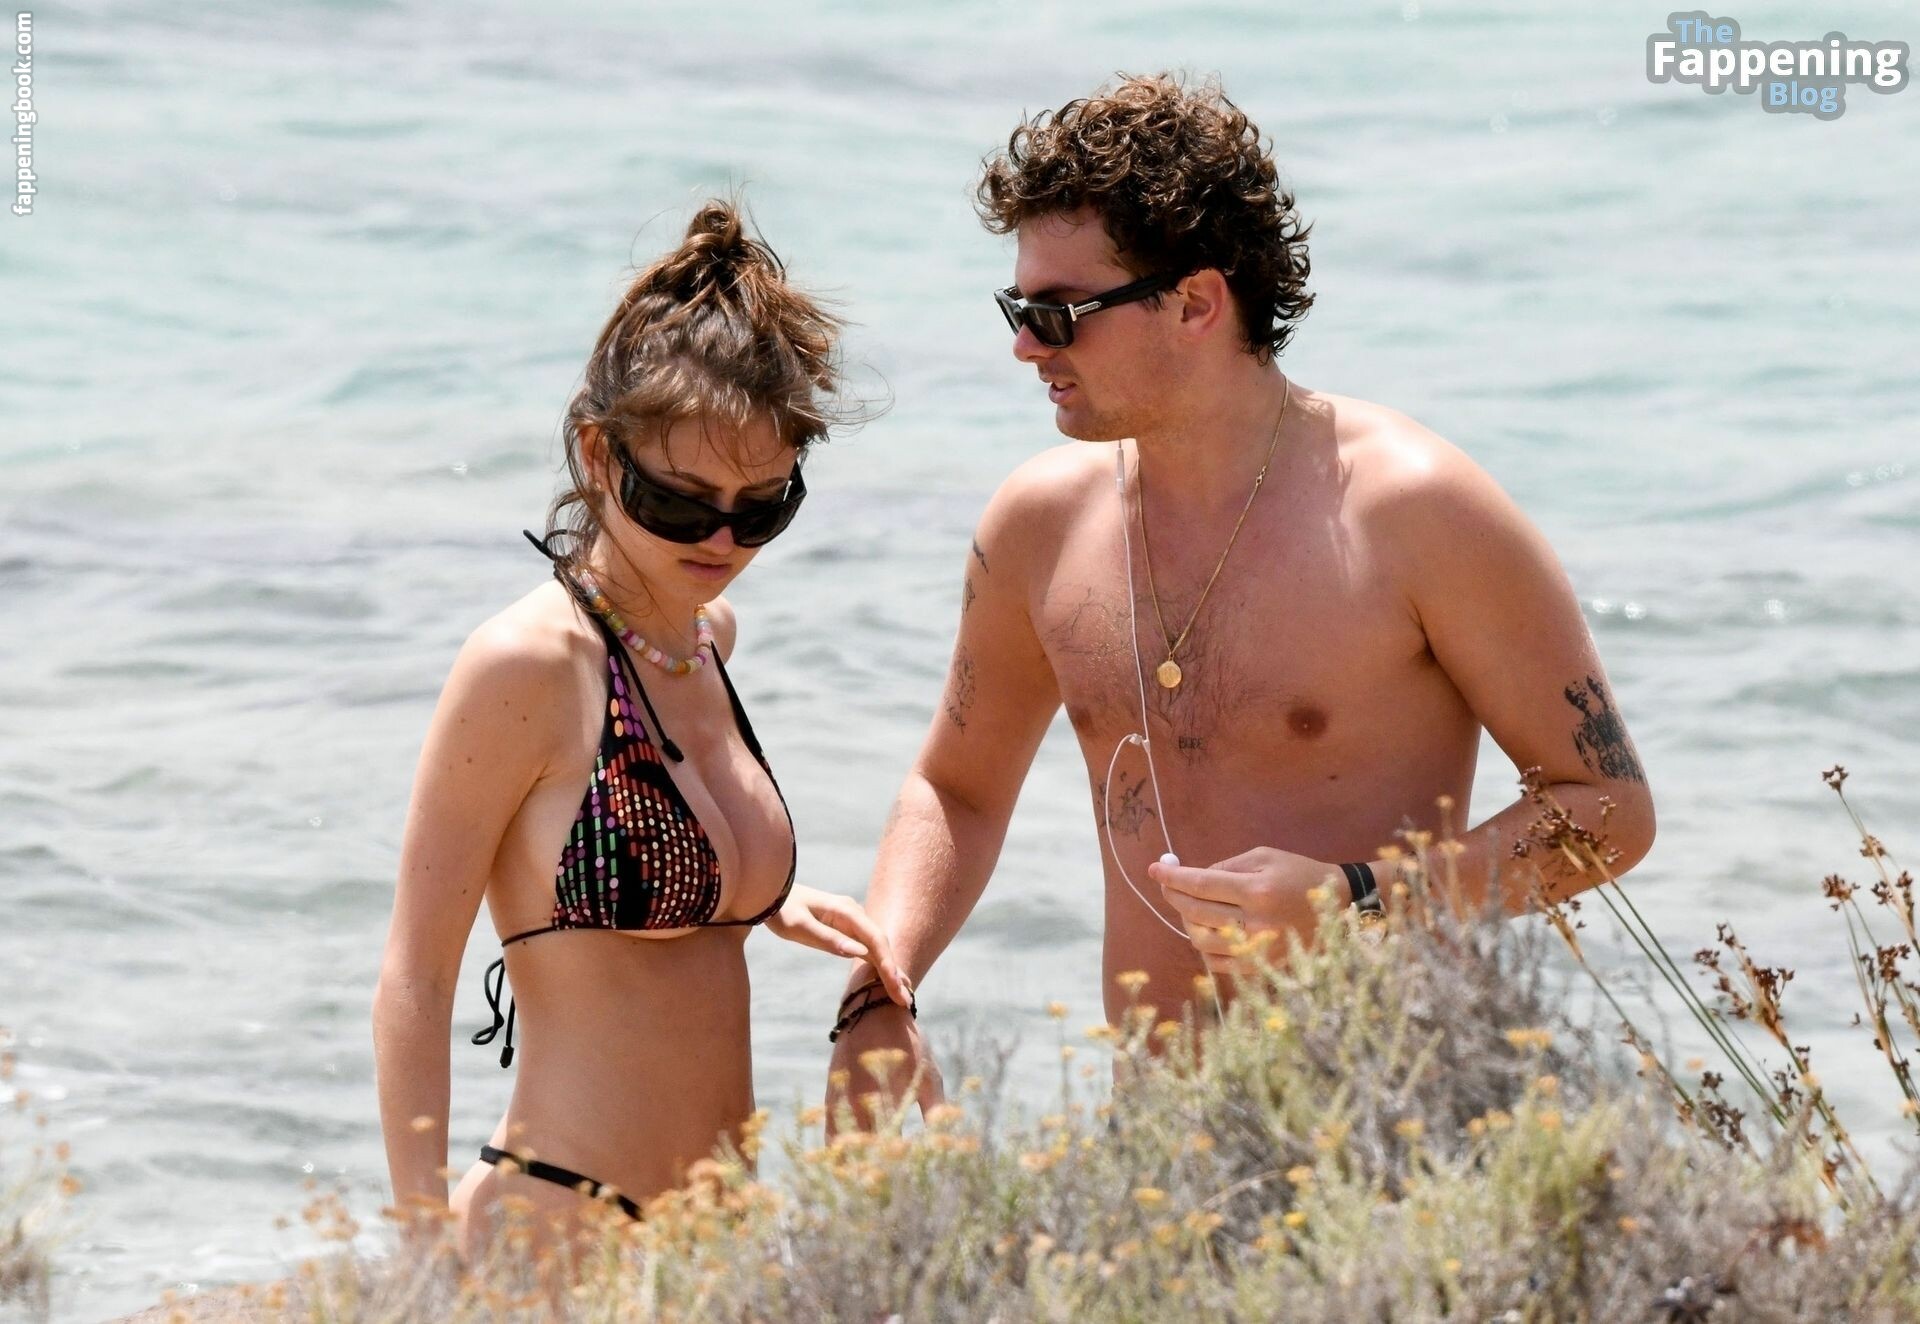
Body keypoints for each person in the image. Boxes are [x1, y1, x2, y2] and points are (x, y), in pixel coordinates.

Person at [823, 74, 1656, 1120]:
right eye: (1018, 309)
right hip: (1155, 1136)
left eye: (1057, 314)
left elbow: (1609, 808)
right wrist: (883, 980)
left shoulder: (1416, 511)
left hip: (1391, 1125)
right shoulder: (1039, 526)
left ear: (1196, 303)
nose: (1026, 345)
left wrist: (1359, 900)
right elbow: (958, 789)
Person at [372, 200, 912, 1266]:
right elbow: (414, 980)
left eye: (762, 507)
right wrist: (422, 1255)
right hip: (562, 1224)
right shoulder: (529, 666)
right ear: (598, 453)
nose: (721, 538)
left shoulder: (706, 639)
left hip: (719, 1243)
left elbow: (635, 858)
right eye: (681, 502)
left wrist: (766, 891)